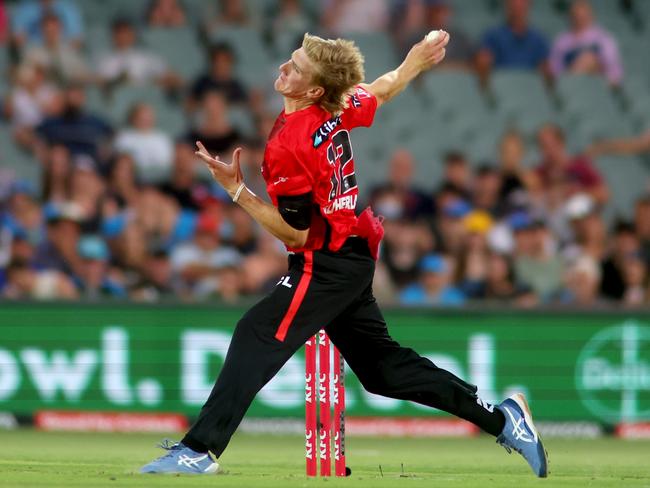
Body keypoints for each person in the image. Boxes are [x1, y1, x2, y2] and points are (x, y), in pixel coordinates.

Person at [140, 32, 548, 477]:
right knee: (382, 371)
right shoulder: (334, 108)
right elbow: (382, 88)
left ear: (313, 89)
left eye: (294, 67)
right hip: (350, 251)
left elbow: (295, 236)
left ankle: (199, 449)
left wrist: (237, 191)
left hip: (325, 261)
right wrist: (415, 60)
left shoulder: (290, 145)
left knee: (255, 333)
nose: (283, 68)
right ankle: (503, 419)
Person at [549, 0, 623, 87]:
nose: (579, 20)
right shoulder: (562, 41)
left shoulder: (603, 39)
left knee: (589, 59)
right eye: (576, 16)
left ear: (591, 16)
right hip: (568, 85)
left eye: (583, 17)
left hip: (599, 86)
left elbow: (614, 69)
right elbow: (555, 70)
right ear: (570, 17)